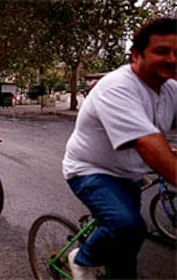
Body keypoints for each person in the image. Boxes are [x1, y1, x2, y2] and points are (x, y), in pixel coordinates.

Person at [62, 17, 177, 280]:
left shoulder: (170, 89)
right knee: (128, 226)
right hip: (90, 170)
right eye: (162, 51)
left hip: (129, 175)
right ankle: (82, 258)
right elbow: (148, 142)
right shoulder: (118, 87)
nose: (172, 59)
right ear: (136, 56)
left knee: (126, 255)